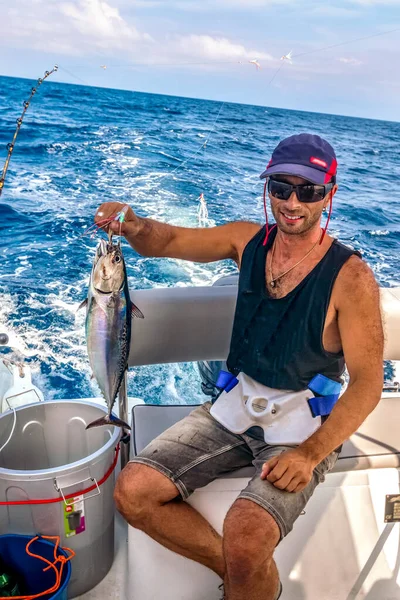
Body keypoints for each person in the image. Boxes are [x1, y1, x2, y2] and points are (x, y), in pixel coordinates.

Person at [95, 133, 384, 600]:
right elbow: (165, 240)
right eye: (280, 188)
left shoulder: (352, 278)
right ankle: (241, 579)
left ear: (330, 193)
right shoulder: (247, 240)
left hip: (302, 430)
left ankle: (244, 574)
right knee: (133, 492)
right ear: (267, 188)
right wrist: (130, 223)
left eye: (308, 191)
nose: (292, 202)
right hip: (231, 408)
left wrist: (309, 455)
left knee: (247, 534)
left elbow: (369, 384)